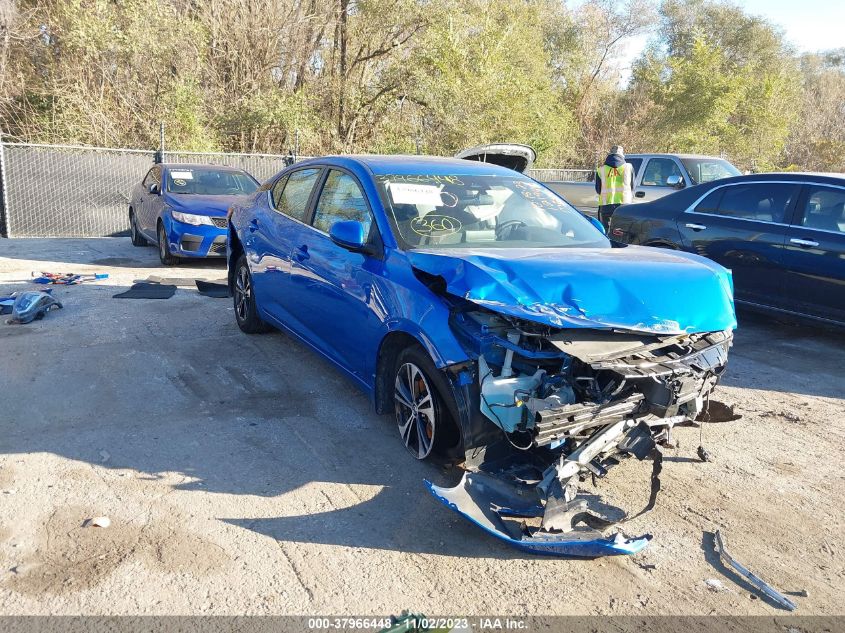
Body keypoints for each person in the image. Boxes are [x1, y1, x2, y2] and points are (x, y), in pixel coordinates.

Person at [595, 145, 633, 230]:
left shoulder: (601, 169)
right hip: (624, 206)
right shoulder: (628, 167)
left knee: (605, 231)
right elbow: (632, 187)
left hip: (606, 206)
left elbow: (598, 190)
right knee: (622, 232)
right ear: (622, 155)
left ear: (609, 155)